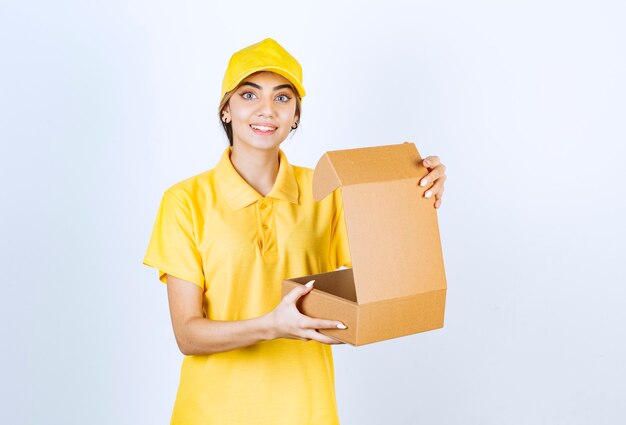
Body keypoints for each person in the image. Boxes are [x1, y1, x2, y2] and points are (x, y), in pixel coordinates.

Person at [143, 38, 447, 425]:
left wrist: (414, 193)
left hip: (306, 411)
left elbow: (386, 284)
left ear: (296, 116)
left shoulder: (328, 191)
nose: (267, 109)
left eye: (283, 98)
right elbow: (188, 335)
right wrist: (272, 325)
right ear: (226, 110)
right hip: (211, 412)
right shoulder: (185, 201)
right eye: (249, 94)